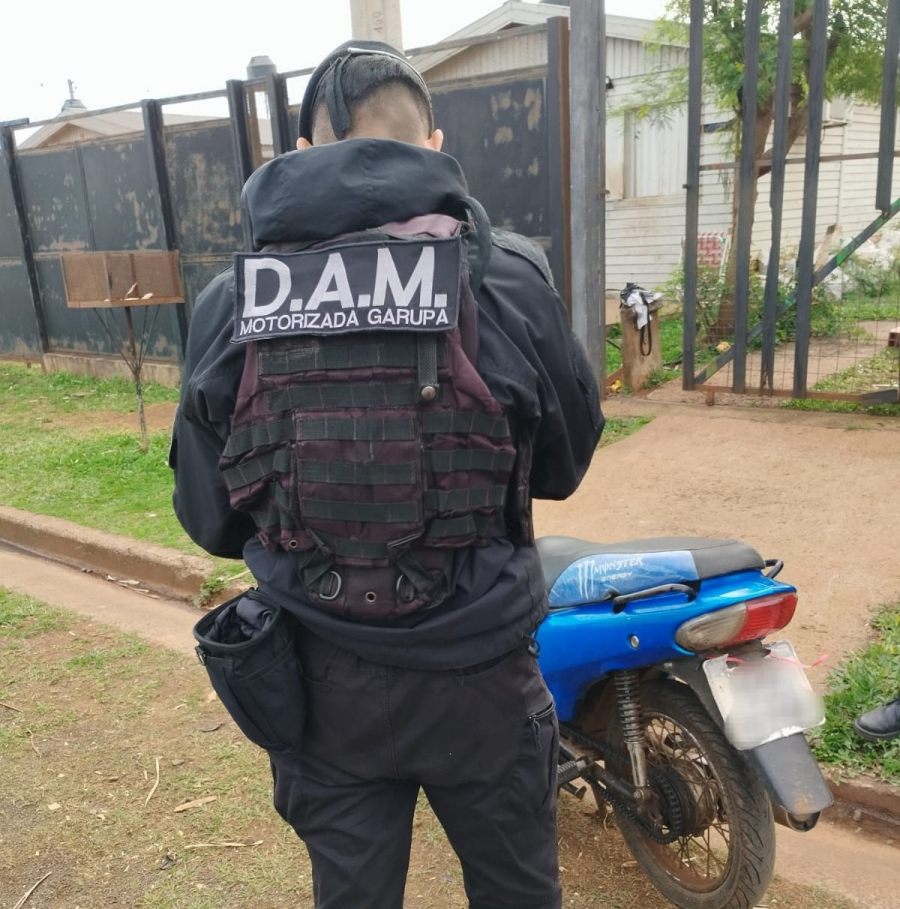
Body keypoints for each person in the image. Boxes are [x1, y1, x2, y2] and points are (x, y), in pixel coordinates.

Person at [171, 40, 602, 909]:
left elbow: (210, 518)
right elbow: (564, 465)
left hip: (321, 683)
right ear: (434, 144)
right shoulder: (504, 275)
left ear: (303, 151)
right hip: (485, 675)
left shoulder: (234, 300)